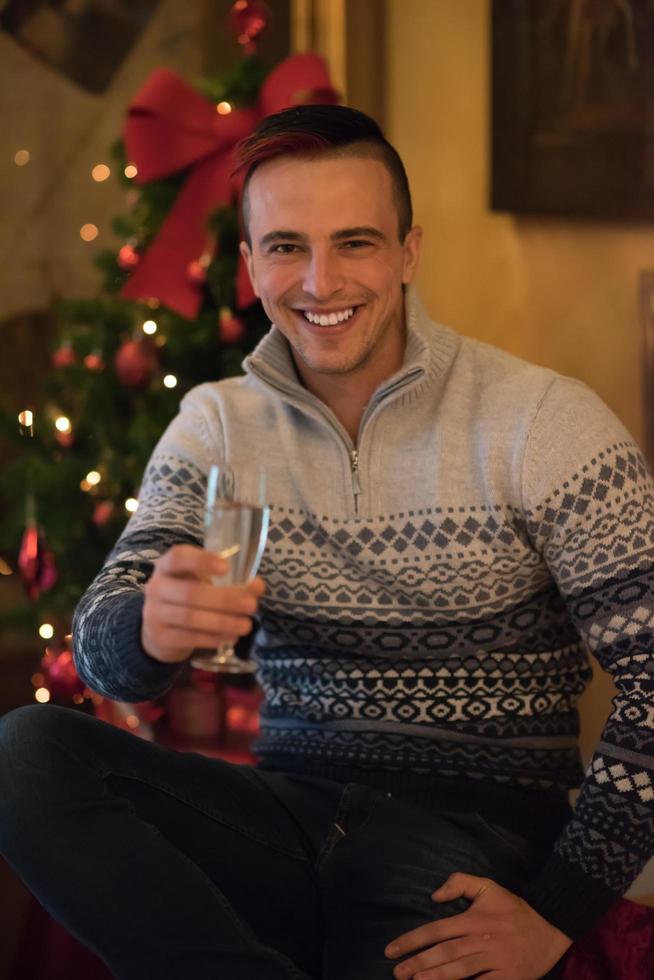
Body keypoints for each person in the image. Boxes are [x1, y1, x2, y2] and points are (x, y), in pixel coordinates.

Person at [1, 104, 653, 980]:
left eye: (355, 243)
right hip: (285, 809)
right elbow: (105, 651)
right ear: (248, 264)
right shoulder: (217, 426)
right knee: (24, 754)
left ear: (409, 252)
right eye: (286, 247)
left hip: (472, 829)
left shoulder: (541, 422)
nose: (320, 282)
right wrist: (148, 629)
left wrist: (556, 912)